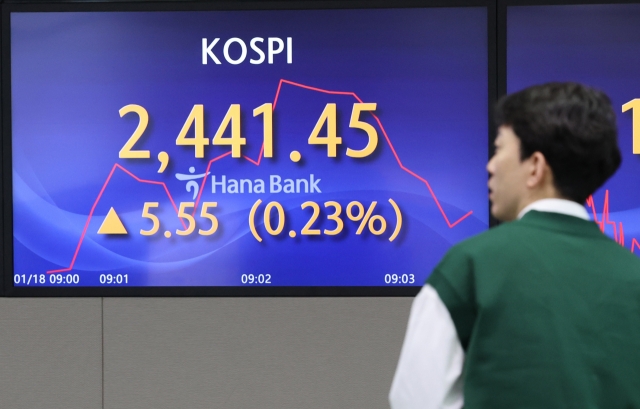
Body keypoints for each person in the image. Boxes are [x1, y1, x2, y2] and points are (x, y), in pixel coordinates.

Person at [389, 82, 640, 409]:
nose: (490, 166)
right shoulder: (633, 275)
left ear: (535, 166)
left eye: (499, 149)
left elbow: (415, 399)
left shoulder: (470, 266)